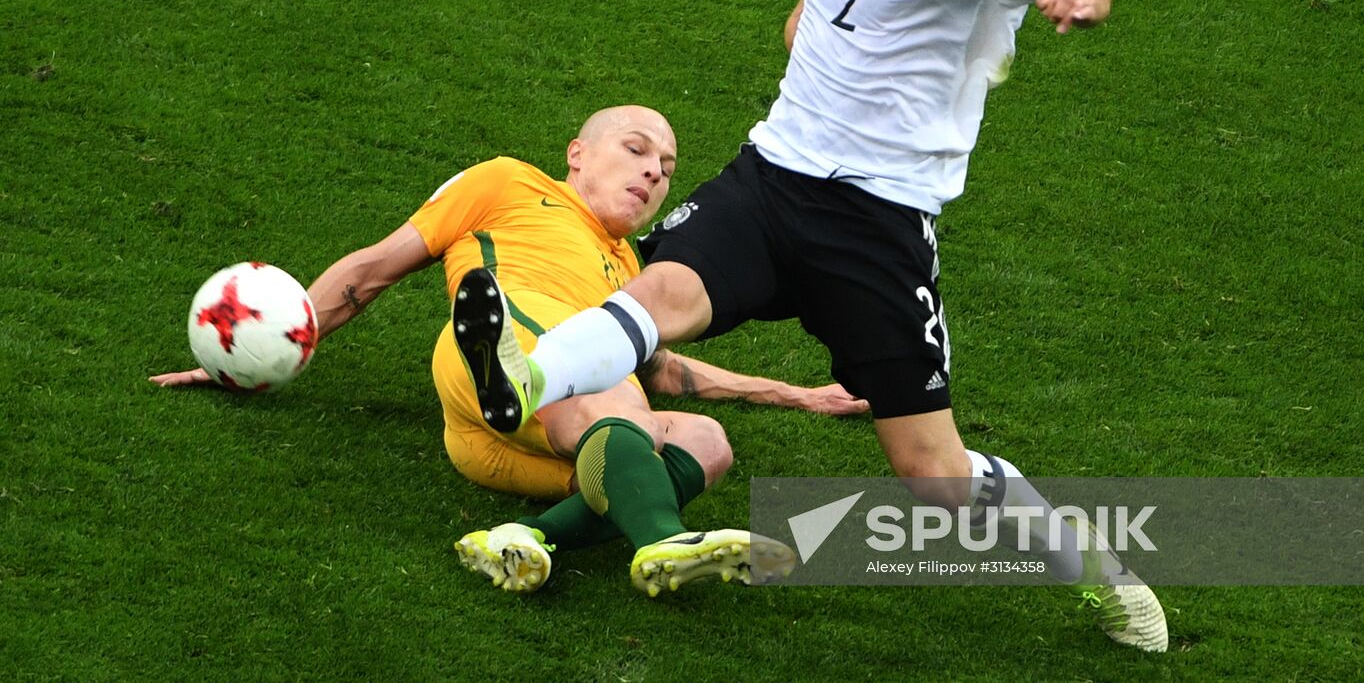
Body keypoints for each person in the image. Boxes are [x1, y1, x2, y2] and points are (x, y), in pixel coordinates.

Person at [451, 0, 1168, 652]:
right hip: (773, 174)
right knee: (656, 298)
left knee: (933, 475)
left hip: (876, 222)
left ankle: (1092, 564)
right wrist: (813, 23)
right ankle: (522, 377)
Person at [153, 105, 865, 595]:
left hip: (506, 445)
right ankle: (660, 541)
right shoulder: (507, 183)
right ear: (577, 154)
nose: (654, 173)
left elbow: (668, 369)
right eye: (637, 149)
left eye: (668, 168)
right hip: (487, 350)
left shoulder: (636, 272)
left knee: (707, 444)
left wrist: (797, 394)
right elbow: (372, 272)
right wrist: (270, 349)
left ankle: (528, 539)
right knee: (605, 376)